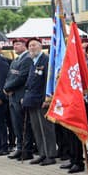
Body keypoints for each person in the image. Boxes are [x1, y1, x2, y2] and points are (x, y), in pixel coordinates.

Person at [21, 38, 56, 166]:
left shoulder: (45, 60)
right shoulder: (32, 62)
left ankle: (50, 154)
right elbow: (30, 82)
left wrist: (47, 98)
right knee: (37, 129)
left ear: (41, 47)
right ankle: (42, 153)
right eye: (29, 46)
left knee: (46, 129)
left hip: (42, 100)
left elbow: (48, 81)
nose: (31, 48)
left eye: (34, 45)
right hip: (32, 100)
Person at [3, 39, 31, 159]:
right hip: (12, 96)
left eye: (18, 44)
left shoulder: (27, 59)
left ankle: (26, 149)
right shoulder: (16, 59)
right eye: (14, 45)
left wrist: (9, 87)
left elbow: (22, 77)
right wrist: (6, 87)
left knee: (23, 124)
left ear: (25, 46)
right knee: (16, 125)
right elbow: (10, 76)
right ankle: (19, 147)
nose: (15, 46)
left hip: (20, 95)